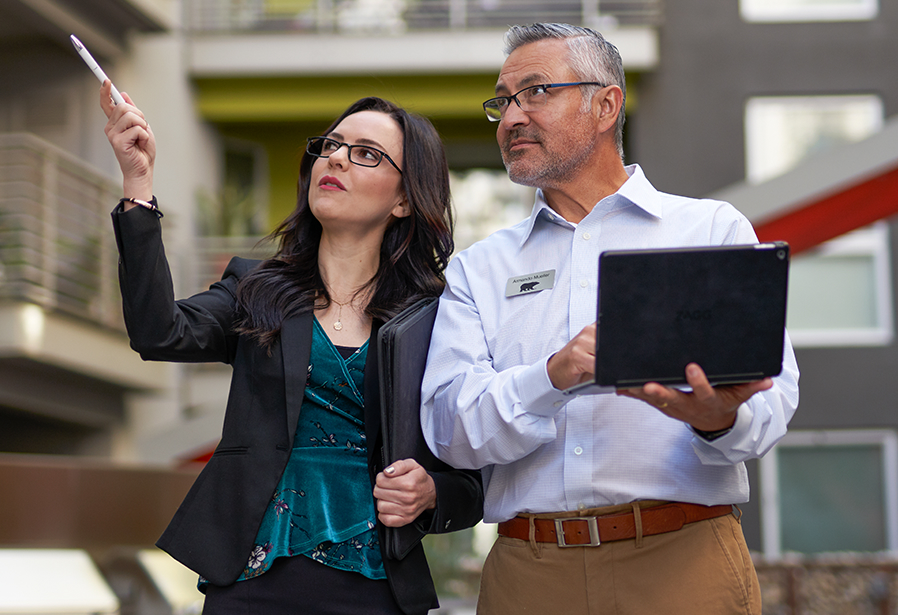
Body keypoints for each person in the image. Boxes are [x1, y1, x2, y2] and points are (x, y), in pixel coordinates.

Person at [420, 23, 799, 615]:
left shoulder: (709, 231)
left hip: (683, 563)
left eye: (536, 92)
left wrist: (718, 420)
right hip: (530, 573)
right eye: (504, 100)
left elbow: (773, 400)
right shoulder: (480, 268)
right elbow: (449, 430)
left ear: (605, 104)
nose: (512, 116)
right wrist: (551, 375)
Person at [101, 82, 483, 615]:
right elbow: (159, 331)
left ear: (403, 199)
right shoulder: (256, 287)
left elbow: (477, 471)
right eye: (330, 146)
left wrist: (432, 492)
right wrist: (137, 181)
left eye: (366, 154)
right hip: (252, 577)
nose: (337, 160)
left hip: (377, 587)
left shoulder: (436, 318)